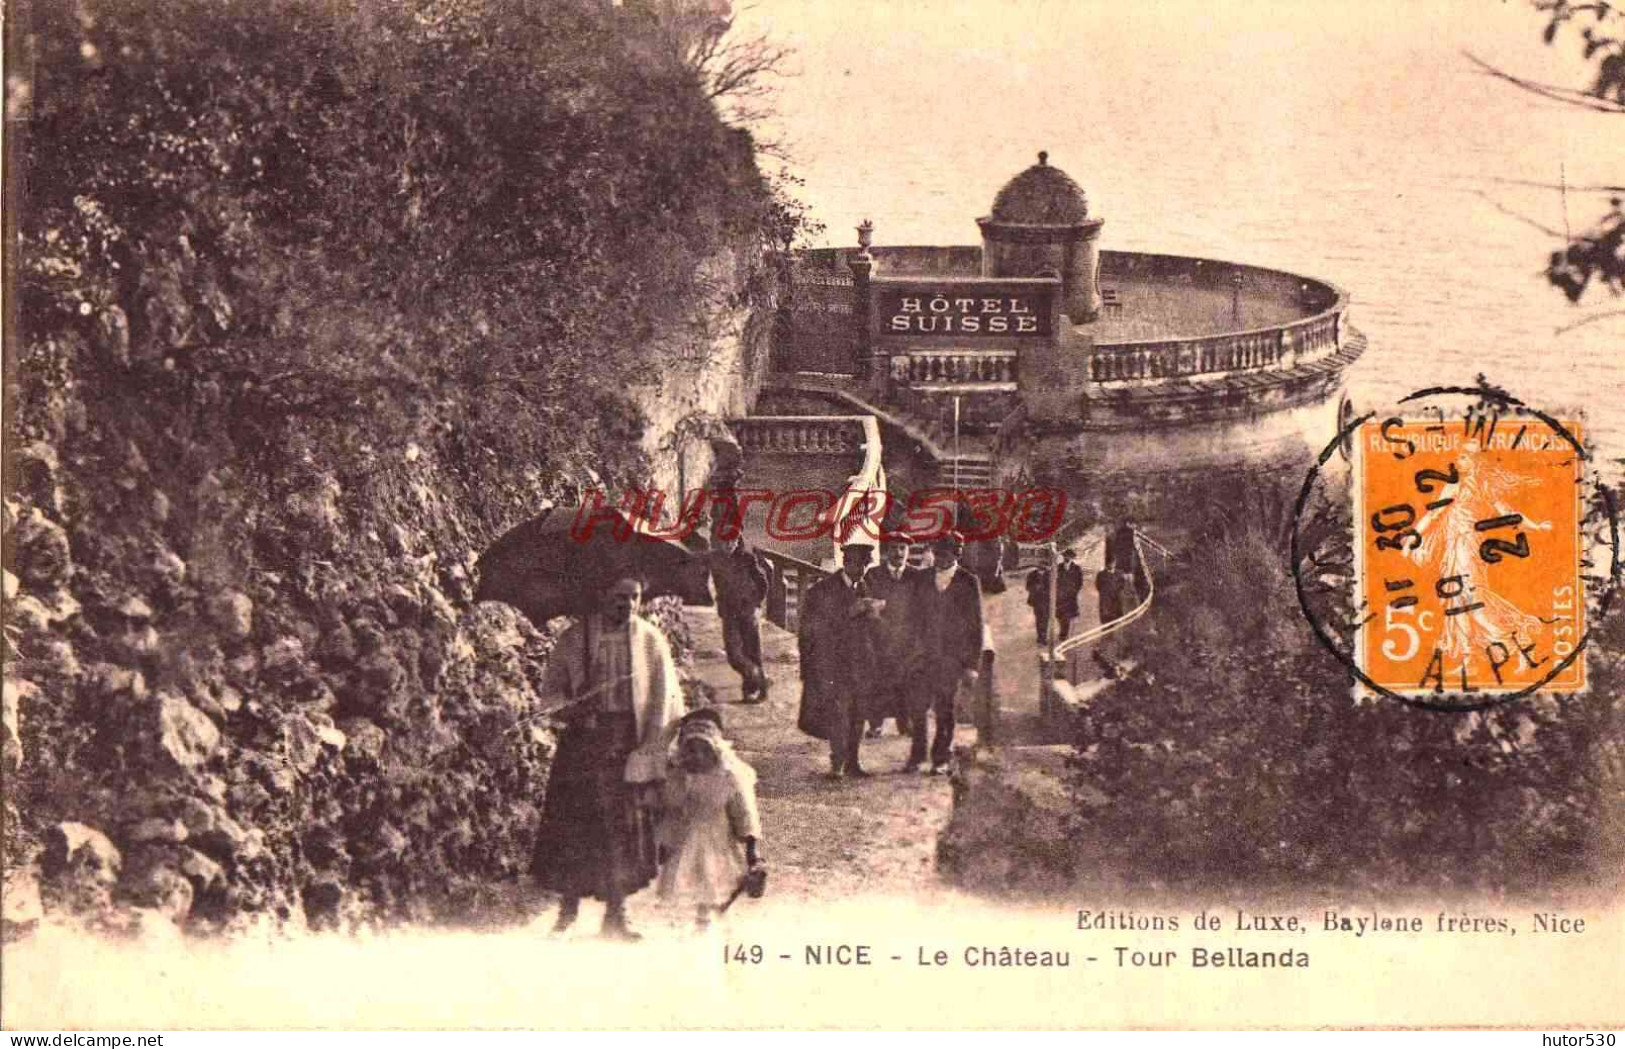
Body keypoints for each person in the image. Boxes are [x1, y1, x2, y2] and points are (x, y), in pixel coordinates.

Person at [531, 578, 684, 941]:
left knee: (623, 831)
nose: (627, 605)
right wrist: (572, 707)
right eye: (619, 598)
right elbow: (550, 693)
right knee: (577, 826)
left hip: (626, 742)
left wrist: (652, 746)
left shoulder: (650, 640)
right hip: (582, 744)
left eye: (634, 597)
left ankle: (617, 915)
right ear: (600, 596)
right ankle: (567, 913)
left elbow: (667, 694)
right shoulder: (574, 640)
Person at [657, 708, 767, 933]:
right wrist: (662, 842)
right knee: (691, 886)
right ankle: (701, 921)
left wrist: (752, 850)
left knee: (714, 885)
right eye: (691, 750)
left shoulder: (729, 779)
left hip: (717, 844)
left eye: (703, 750)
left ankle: (710, 921)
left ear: (715, 751)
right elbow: (670, 811)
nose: (696, 756)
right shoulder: (677, 777)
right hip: (685, 843)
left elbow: (745, 815)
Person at [797, 541, 878, 778]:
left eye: (864, 565)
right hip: (833, 665)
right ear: (846, 563)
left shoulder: (865, 587)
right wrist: (850, 613)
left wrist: (875, 615)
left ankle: (853, 763)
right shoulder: (822, 590)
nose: (861, 571)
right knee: (838, 714)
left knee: (858, 714)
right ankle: (837, 764)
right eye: (857, 565)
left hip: (861, 664)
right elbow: (813, 629)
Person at [908, 532, 983, 775]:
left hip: (951, 659)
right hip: (922, 657)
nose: (940, 558)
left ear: (956, 554)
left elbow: (975, 625)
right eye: (938, 553)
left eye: (946, 553)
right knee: (917, 707)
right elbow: (911, 618)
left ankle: (941, 757)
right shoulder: (922, 578)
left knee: (945, 708)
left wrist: (972, 665)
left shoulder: (968, 581)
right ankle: (917, 755)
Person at [861, 534, 921, 738]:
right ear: (886, 551)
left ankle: (906, 723)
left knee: (907, 681)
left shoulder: (916, 576)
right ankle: (876, 724)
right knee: (878, 680)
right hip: (881, 638)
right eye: (894, 548)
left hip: (908, 639)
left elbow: (923, 607)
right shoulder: (873, 574)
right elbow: (868, 603)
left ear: (908, 551)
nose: (898, 553)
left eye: (903, 548)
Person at [710, 519, 771, 703]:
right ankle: (760, 679)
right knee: (734, 654)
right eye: (725, 542)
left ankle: (753, 691)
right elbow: (718, 586)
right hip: (729, 613)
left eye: (732, 541)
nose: (729, 545)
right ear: (720, 542)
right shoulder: (717, 561)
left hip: (748, 611)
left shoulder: (747, 559)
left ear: (738, 541)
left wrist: (756, 602)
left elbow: (763, 582)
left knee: (753, 652)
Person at [1057, 548, 1085, 640]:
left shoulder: (1077, 569)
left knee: (1068, 615)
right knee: (1060, 615)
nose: (1067, 558)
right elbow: (1054, 580)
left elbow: (1079, 582)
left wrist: (1074, 591)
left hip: (1070, 596)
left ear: (1072, 558)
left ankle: (1064, 634)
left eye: (1069, 557)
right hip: (1060, 595)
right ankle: (1063, 631)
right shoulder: (1058, 567)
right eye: (1065, 556)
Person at [1025, 560, 1055, 644]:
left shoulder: (1051, 574)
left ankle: (1043, 637)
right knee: (1038, 619)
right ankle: (1040, 636)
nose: (1042, 567)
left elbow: (1054, 587)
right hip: (1036, 600)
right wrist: (1035, 588)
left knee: (1045, 619)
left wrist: (1045, 591)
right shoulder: (1032, 574)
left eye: (1044, 565)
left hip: (1047, 600)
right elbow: (1027, 587)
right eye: (1040, 565)